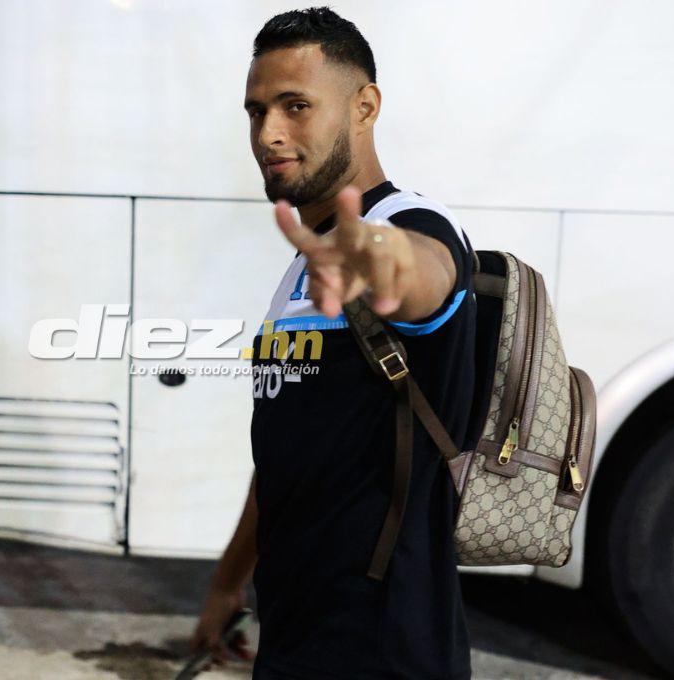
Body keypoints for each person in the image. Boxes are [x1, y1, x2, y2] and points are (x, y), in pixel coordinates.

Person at [191, 8, 475, 679]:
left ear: (364, 106)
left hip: (385, 652)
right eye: (256, 111)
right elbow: (287, 459)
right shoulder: (304, 267)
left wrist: (381, 256)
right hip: (293, 641)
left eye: (296, 106)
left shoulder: (410, 225)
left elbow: (425, 273)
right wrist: (229, 586)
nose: (269, 133)